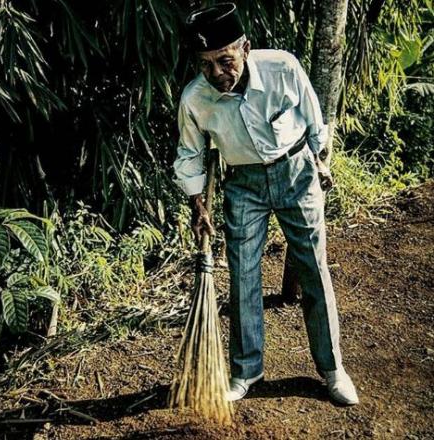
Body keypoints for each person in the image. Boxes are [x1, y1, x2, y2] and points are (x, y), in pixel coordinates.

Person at [173, 2, 359, 405]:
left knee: (313, 267)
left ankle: (332, 369)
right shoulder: (195, 98)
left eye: (224, 61)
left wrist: (321, 161)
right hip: (244, 185)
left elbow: (314, 119)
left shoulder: (282, 67)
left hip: (296, 172)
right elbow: (190, 156)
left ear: (245, 47)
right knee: (242, 275)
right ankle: (246, 371)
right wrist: (197, 207)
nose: (217, 74)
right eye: (205, 65)